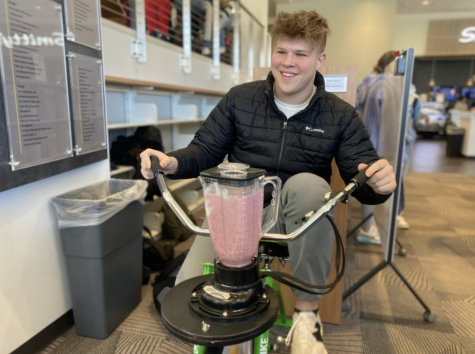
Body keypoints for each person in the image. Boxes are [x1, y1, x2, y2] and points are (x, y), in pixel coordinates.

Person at [141, 10, 396, 354]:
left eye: (300, 54)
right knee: (187, 295)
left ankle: (307, 319)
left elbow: (360, 174)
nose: (288, 63)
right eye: (282, 51)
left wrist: (377, 184)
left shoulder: (340, 115)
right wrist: (172, 162)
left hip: (299, 217)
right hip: (238, 212)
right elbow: (204, 150)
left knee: (309, 185)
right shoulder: (239, 99)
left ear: (319, 59)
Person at [354, 51, 396, 243]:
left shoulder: (367, 81)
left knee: (371, 181)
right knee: (374, 181)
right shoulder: (386, 84)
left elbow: (355, 103)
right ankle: (367, 227)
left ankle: (368, 225)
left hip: (366, 138)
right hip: (381, 139)